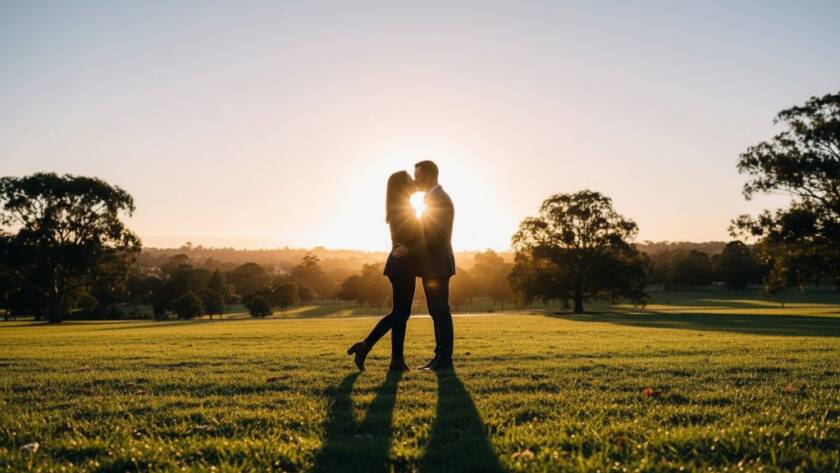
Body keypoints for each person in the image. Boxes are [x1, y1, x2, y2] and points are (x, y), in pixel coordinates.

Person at [346, 171, 423, 371]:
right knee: (400, 313)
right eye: (409, 179)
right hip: (402, 266)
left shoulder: (401, 208)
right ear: (402, 186)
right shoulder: (402, 210)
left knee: (400, 313)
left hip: (402, 266)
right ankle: (374, 350)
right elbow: (414, 239)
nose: (414, 181)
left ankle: (392, 358)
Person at [413, 160, 456, 371]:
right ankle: (439, 357)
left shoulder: (439, 199)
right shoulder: (431, 199)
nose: (415, 180)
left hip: (438, 265)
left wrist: (410, 250)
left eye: (418, 176)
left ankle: (444, 360)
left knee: (440, 312)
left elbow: (436, 236)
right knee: (436, 312)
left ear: (429, 176)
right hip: (433, 266)